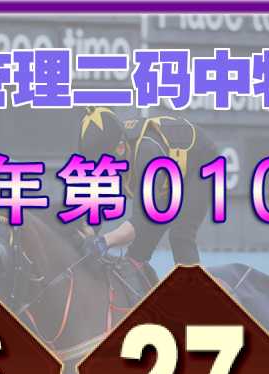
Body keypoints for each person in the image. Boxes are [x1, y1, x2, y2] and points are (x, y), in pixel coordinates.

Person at [78, 107, 218, 268]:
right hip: (167, 174)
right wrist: (85, 234)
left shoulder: (147, 153)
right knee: (138, 251)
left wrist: (104, 241)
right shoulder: (111, 148)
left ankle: (194, 282)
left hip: (201, 162)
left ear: (121, 148)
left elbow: (140, 221)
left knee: (181, 235)